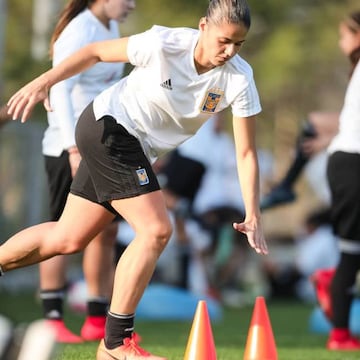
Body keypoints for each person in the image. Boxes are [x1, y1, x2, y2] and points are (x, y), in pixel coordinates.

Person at [2, 0, 268, 358]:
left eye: (239, 44)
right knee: (156, 229)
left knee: (68, 238)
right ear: (204, 26)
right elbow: (95, 51)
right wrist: (43, 82)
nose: (230, 51)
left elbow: (246, 153)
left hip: (132, 145)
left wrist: (253, 213)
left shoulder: (239, 77)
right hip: (109, 126)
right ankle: (116, 343)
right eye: (224, 40)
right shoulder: (165, 43)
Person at [39, 0, 136, 343]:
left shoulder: (108, 25)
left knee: (105, 231)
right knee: (62, 233)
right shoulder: (79, 29)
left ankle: (97, 317)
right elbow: (59, 88)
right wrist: (72, 147)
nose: (132, 5)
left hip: (101, 145)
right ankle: (51, 315)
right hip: (70, 148)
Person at [324, 10, 360, 351]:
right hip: (352, 166)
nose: (341, 42)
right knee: (351, 252)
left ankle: (329, 286)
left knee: (352, 254)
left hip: (346, 161)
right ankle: (339, 335)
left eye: (343, 34)